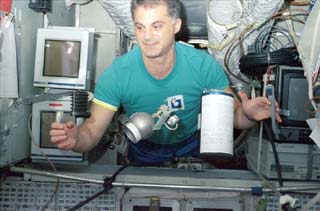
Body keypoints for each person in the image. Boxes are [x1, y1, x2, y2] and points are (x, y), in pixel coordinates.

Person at [50, 0, 281, 166]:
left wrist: (249, 114)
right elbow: (91, 131)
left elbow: (234, 117)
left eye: (156, 26)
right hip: (145, 148)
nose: (147, 36)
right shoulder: (117, 75)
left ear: (176, 26)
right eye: (140, 27)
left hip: (192, 143)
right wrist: (76, 139)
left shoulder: (202, 66)